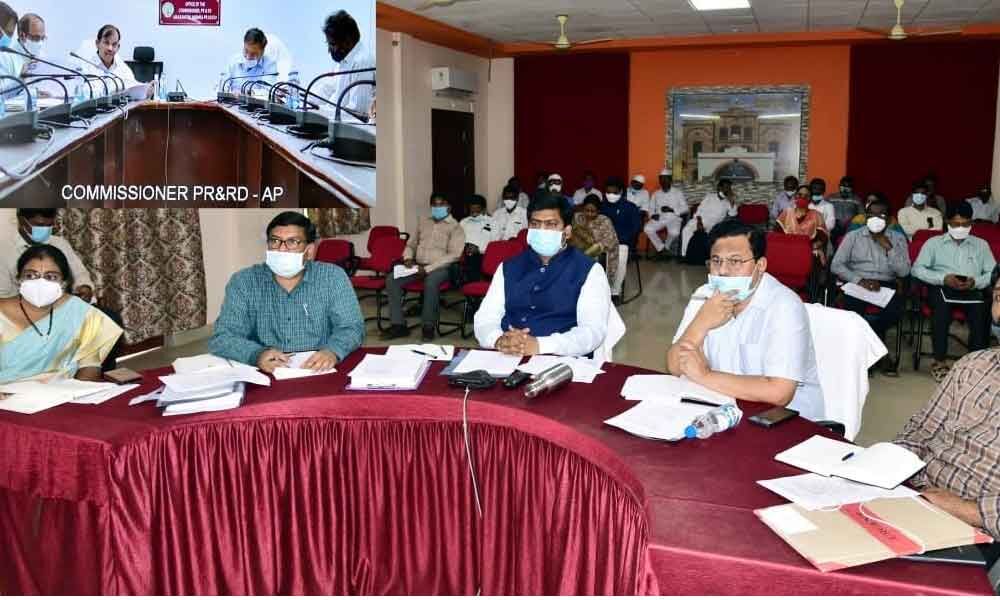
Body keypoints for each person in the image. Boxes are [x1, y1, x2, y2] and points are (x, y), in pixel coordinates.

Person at [669, 220, 824, 420]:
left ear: (760, 265)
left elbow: (779, 393)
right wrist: (701, 323)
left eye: (735, 261)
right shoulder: (705, 295)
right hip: (725, 407)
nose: (723, 271)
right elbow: (674, 365)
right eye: (716, 261)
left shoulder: (784, 305)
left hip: (787, 420)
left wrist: (704, 376)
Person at [208, 212, 363, 374]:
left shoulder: (332, 277)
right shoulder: (244, 281)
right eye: (275, 241)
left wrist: (332, 351)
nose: (281, 249)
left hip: (319, 369)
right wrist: (256, 355)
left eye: (292, 242)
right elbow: (223, 337)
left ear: (309, 251)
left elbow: (352, 327)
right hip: (265, 372)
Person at [894, 318, 1000, 539]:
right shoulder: (974, 364)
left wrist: (968, 510)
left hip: (977, 526)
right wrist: (889, 461)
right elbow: (921, 430)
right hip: (916, 493)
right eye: (999, 297)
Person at [474, 191, 611, 357]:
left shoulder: (589, 271)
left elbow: (592, 332)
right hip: (506, 356)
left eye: (551, 224)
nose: (541, 230)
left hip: (561, 362)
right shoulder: (509, 266)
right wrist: (498, 340)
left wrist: (540, 345)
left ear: (567, 231)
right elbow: (485, 317)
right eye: (535, 224)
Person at [0, 245, 122, 384]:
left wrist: (73, 397)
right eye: (30, 275)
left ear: (64, 282)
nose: (40, 282)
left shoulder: (79, 312)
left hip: (61, 397)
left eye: (51, 277)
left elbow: (89, 369)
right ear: (19, 279)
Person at [912, 202, 996, 382]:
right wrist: (943, 278)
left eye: (965, 224)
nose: (960, 228)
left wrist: (976, 282)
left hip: (971, 289)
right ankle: (939, 361)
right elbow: (917, 269)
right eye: (955, 224)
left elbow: (992, 273)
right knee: (941, 312)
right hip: (942, 287)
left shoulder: (981, 245)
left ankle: (976, 363)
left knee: (982, 310)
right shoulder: (933, 243)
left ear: (971, 223)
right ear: (947, 222)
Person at [831, 196, 910, 375]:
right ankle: (880, 355)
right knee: (853, 313)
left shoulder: (897, 239)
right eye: (871, 215)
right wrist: (859, 281)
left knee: (895, 312)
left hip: (886, 284)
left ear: (889, 219)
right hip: (858, 282)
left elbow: (904, 272)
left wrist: (889, 248)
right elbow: (836, 265)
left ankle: (868, 351)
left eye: (881, 215)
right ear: (865, 217)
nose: (875, 219)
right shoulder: (853, 236)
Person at [381, 193, 465, 341]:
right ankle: (398, 325)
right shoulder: (423, 222)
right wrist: (407, 258)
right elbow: (410, 245)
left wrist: (427, 269)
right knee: (391, 279)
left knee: (431, 282)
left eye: (441, 204)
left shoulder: (456, 227)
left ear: (448, 207)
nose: (437, 207)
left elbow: (454, 255)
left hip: (441, 268)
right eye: (435, 205)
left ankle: (428, 326)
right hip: (417, 266)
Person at [1, 209, 95, 301]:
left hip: (60, 307)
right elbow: (3, 296)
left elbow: (80, 274)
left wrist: (84, 287)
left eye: (49, 225)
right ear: (22, 221)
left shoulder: (60, 244)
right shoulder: (4, 250)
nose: (45, 230)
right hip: (18, 310)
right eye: (39, 225)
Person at [320, 10, 374, 122]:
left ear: (347, 41)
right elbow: (326, 90)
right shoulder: (346, 60)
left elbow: (357, 112)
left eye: (332, 44)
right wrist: (303, 102)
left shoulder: (362, 61)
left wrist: (323, 114)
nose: (329, 50)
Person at [600, 176, 642, 295]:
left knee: (621, 257)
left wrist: (620, 239)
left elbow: (636, 228)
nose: (611, 195)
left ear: (621, 192)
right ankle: (599, 288)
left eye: (614, 192)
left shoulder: (630, 207)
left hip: (623, 242)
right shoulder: (601, 206)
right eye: (608, 192)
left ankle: (615, 291)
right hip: (602, 242)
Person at [569, 194, 619, 288]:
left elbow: (609, 242)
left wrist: (587, 252)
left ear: (598, 211)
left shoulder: (604, 220)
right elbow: (571, 235)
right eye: (586, 210)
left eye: (593, 211)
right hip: (579, 250)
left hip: (599, 253)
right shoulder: (577, 218)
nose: (589, 214)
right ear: (582, 209)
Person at [680, 178, 738, 258]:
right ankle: (685, 255)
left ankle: (702, 256)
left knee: (706, 236)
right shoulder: (709, 197)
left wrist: (732, 201)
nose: (727, 190)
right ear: (719, 188)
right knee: (686, 230)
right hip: (700, 220)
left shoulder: (728, 202)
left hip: (713, 225)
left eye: (728, 188)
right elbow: (699, 210)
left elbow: (733, 214)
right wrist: (699, 222)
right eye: (725, 187)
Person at [78, 25, 145, 90]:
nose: (110, 48)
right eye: (106, 43)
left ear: (118, 47)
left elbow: (135, 90)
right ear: (97, 43)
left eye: (114, 44)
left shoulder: (124, 69)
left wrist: (146, 91)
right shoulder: (85, 68)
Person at [776, 184, 830, 265]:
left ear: (810, 199)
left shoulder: (817, 215)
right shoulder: (787, 213)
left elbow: (823, 237)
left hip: (808, 251)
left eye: (806, 196)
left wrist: (815, 246)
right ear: (795, 196)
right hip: (787, 249)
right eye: (800, 195)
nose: (802, 198)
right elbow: (777, 234)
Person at [644, 169, 688, 259]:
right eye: (662, 179)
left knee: (674, 232)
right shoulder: (656, 194)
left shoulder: (677, 193)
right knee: (647, 228)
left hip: (674, 217)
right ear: (660, 181)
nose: (663, 181)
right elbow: (651, 207)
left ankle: (666, 248)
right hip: (660, 217)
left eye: (666, 179)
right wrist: (652, 215)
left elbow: (686, 208)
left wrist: (672, 209)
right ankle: (661, 249)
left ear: (670, 180)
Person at [459, 194, 496, 283]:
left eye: (477, 209)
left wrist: (479, 250)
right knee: (470, 258)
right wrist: (465, 248)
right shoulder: (463, 222)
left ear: (483, 209)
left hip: (486, 254)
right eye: (472, 210)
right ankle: (472, 286)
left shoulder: (493, 222)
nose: (474, 212)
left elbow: (495, 243)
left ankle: (474, 286)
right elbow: (458, 241)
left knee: (475, 258)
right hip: (467, 255)